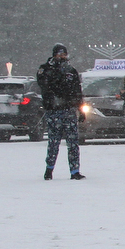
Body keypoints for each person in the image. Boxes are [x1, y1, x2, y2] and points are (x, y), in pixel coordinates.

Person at [36, 43, 84, 179]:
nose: (62, 57)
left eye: (64, 54)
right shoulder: (45, 69)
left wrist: (81, 108)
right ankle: (49, 169)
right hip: (54, 111)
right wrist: (56, 73)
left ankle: (75, 171)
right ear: (54, 55)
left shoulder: (71, 70)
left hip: (69, 110)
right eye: (59, 54)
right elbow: (44, 85)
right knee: (53, 142)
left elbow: (77, 91)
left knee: (73, 143)